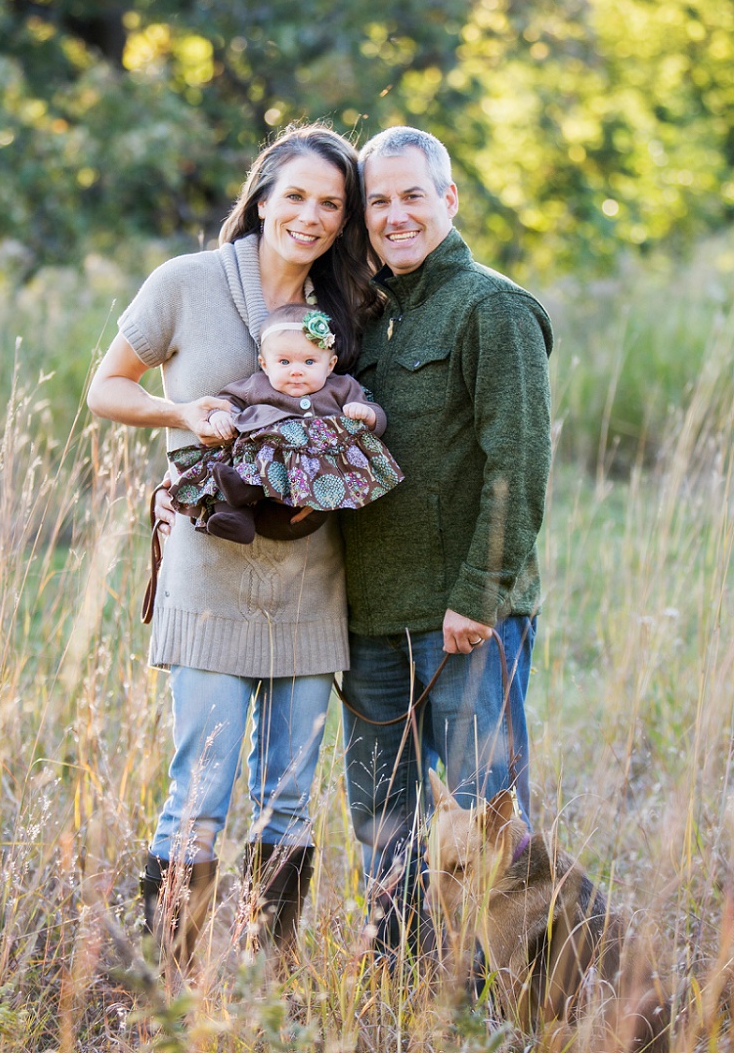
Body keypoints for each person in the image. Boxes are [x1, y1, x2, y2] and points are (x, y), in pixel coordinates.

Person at [86, 123, 376, 972]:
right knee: (199, 795)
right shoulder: (186, 283)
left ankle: (263, 980)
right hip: (210, 566)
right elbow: (104, 388)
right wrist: (184, 415)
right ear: (261, 198)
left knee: (289, 800)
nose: (313, 216)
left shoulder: (348, 309)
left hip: (312, 574)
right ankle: (167, 990)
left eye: (332, 204)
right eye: (297, 197)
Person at [338, 125, 553, 955]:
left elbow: (519, 460)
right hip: (371, 623)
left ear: (449, 199)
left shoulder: (491, 306)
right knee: (381, 818)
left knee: (486, 812)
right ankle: (400, 987)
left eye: (412, 196)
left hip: (463, 620)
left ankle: (523, 991)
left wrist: (479, 593)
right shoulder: (365, 320)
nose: (395, 215)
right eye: (378, 201)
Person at [168, 303, 403, 544]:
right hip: (253, 477)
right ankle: (235, 518)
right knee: (226, 472)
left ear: (330, 365)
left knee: (305, 484)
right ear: (265, 364)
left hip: (312, 492)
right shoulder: (256, 386)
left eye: (309, 362)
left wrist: (367, 415)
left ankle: (247, 494)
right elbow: (226, 401)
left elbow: (376, 420)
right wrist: (219, 416)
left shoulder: (343, 387)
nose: (296, 371)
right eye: (284, 362)